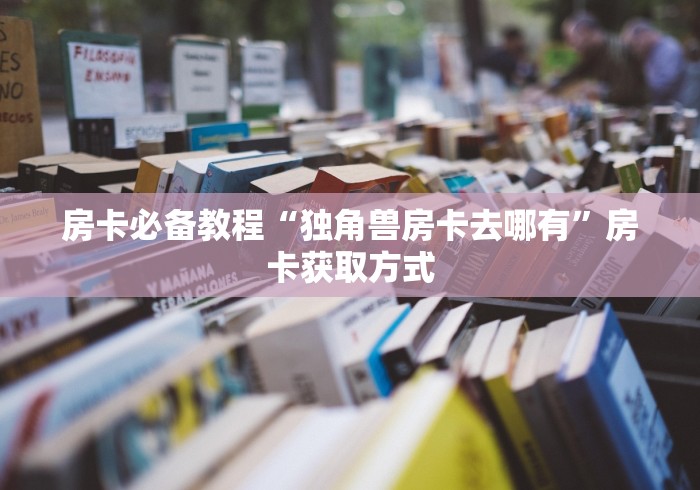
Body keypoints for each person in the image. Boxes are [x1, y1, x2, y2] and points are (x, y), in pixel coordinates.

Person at [550, 12, 647, 106]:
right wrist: (552, 86)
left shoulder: (616, 52)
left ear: (585, 32)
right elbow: (576, 72)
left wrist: (599, 91)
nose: (569, 44)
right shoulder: (593, 51)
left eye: (570, 38)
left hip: (635, 112)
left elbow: (626, 93)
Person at [621, 19, 687, 105]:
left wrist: (634, 89)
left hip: (673, 107)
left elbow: (663, 86)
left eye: (634, 44)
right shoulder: (650, 51)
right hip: (659, 106)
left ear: (644, 35)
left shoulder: (669, 49)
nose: (634, 50)